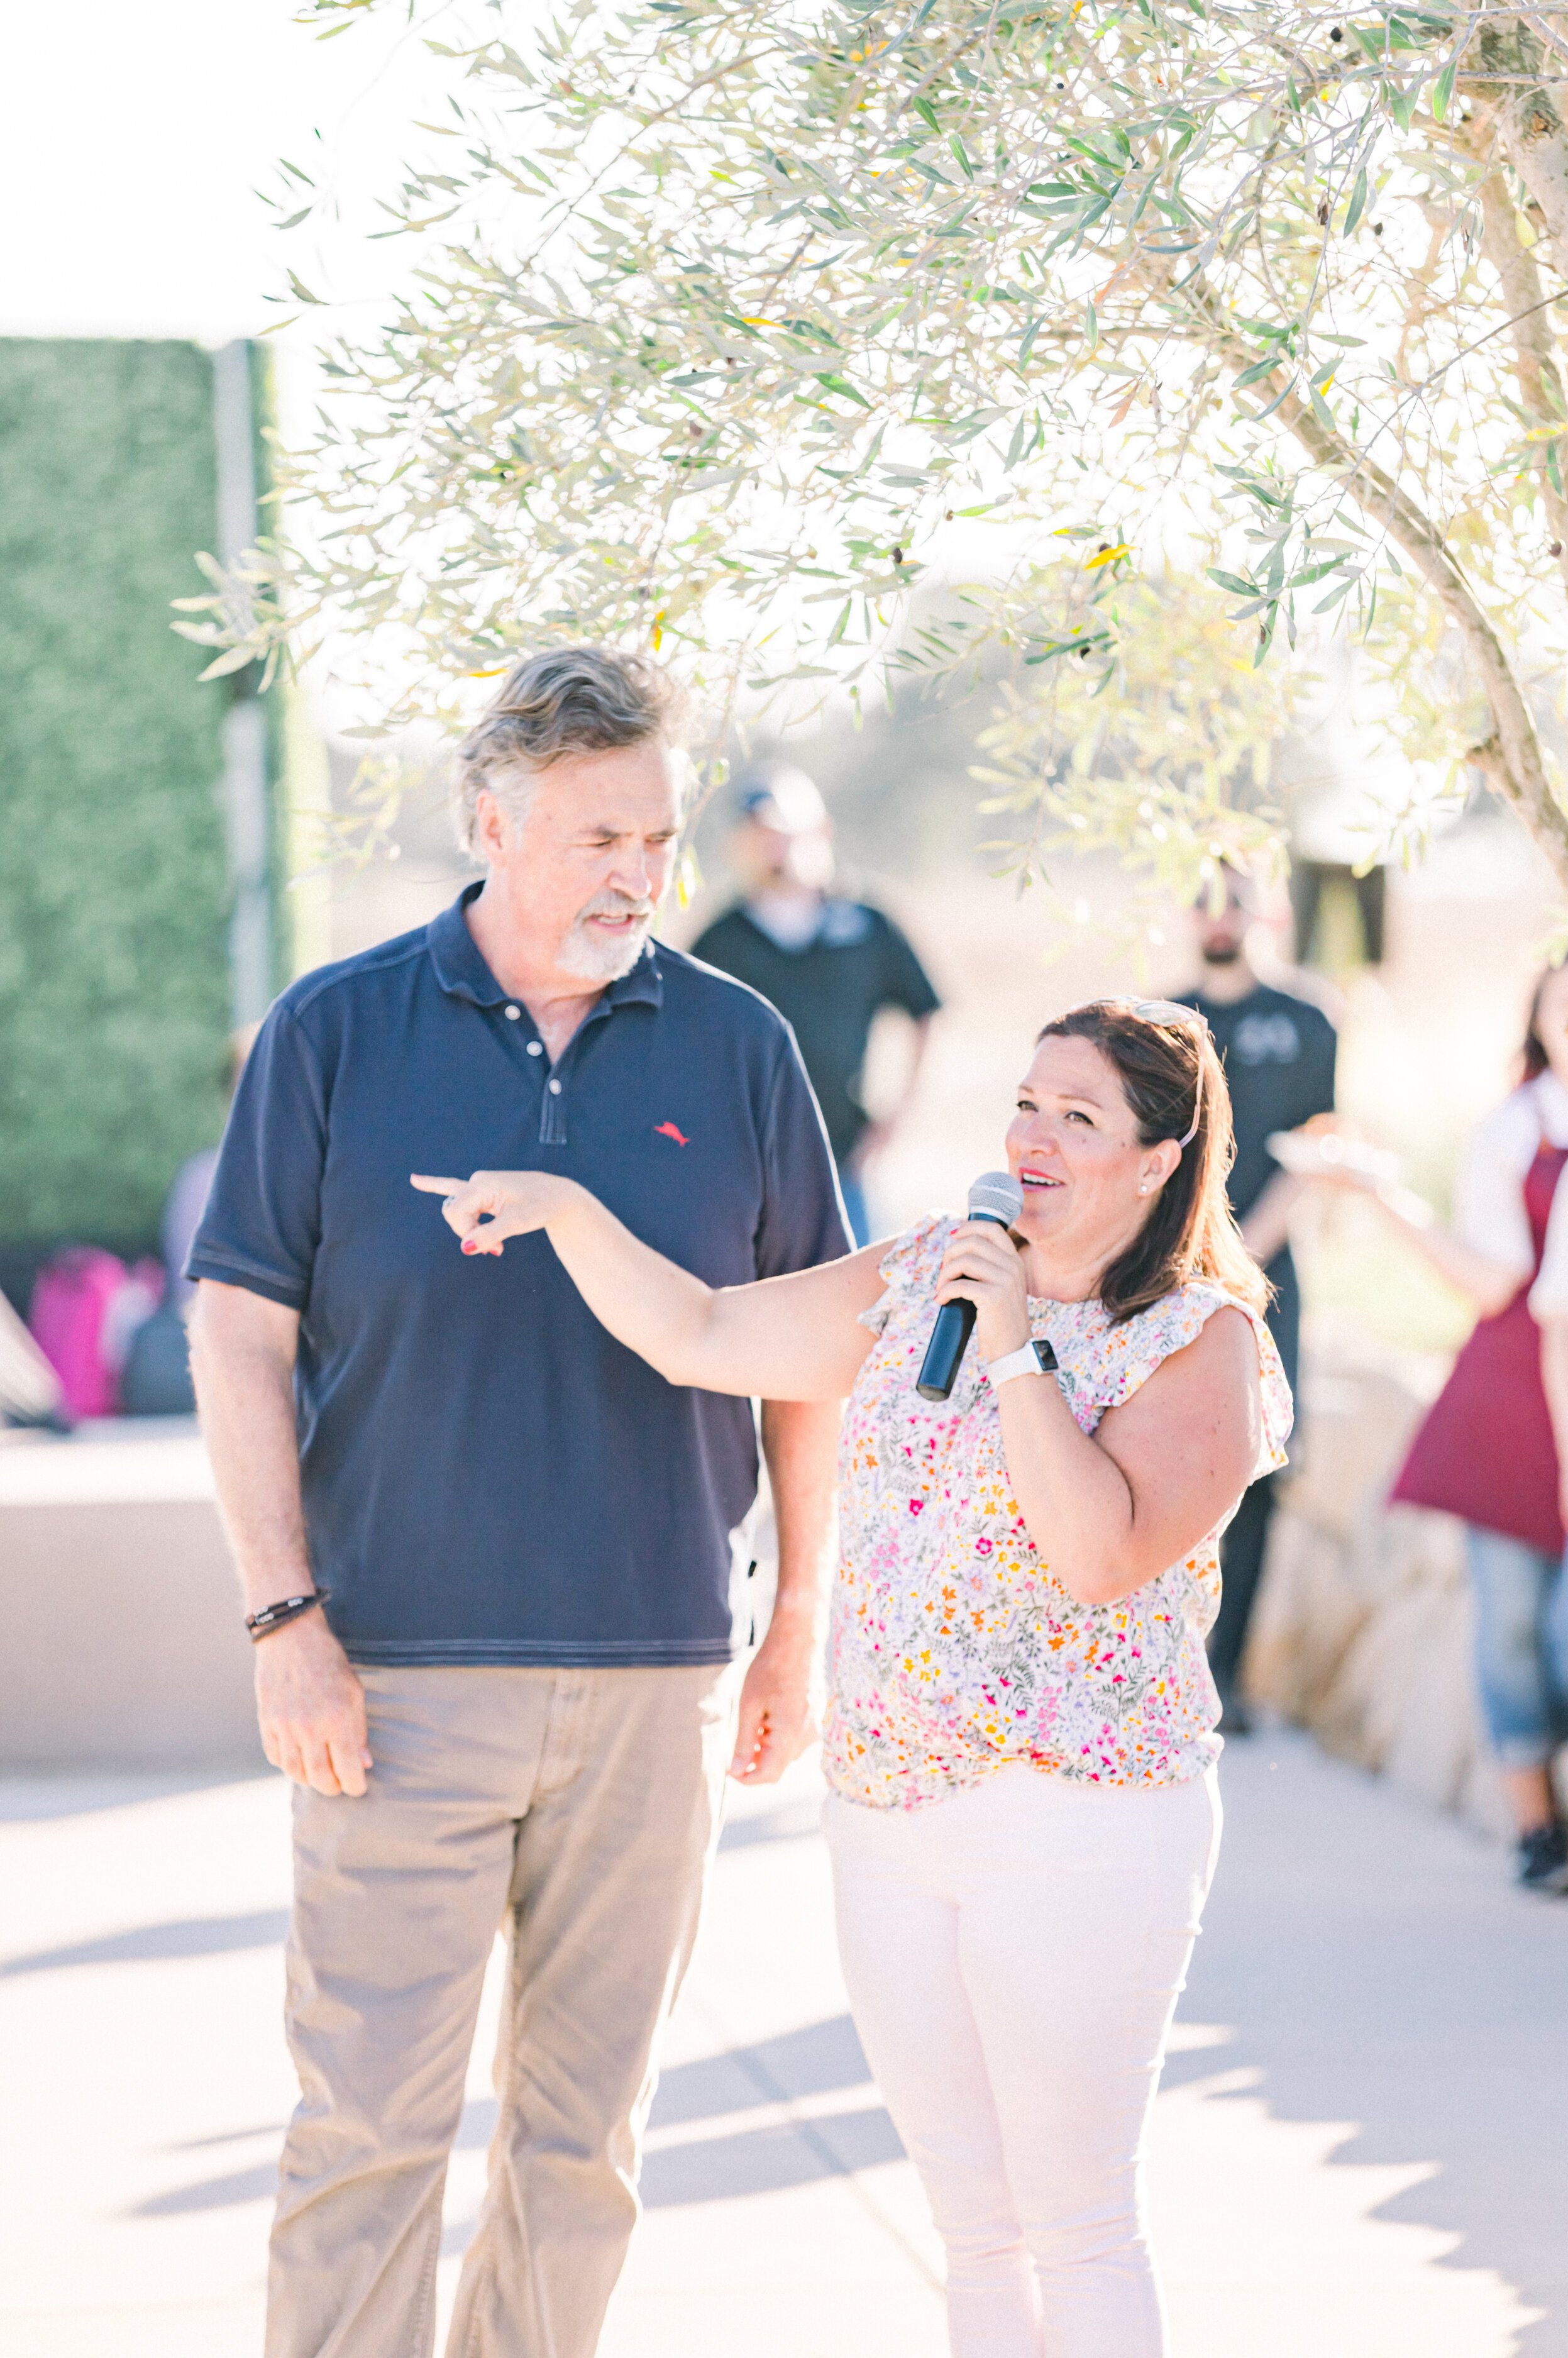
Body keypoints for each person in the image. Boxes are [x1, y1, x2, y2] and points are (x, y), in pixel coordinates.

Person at [414, 997, 1291, 2356]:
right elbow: (702, 1333)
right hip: (886, 1810)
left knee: (1075, 2217)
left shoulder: (1199, 1340)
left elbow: (1101, 1553)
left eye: (1079, 1118)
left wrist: (1012, 1350)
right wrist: (567, 1210)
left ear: (1157, 1159)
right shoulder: (927, 1269)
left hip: (1079, 1818)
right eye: (1026, 1104)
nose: (1034, 1140)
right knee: (970, 2221)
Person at [185, 647, 848, 2358]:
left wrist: (794, 1625)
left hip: (653, 1679)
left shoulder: (740, 1039)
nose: (636, 870)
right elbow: (237, 1328)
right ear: (490, 821)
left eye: (657, 834)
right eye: (597, 835)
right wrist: (284, 1619)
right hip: (391, 1674)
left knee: (585, 2150)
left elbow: (807, 1349)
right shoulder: (335, 1031)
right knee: (363, 2136)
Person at [1324, 960, 1568, 1892]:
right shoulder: (1512, 1131)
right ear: (1539, 1021)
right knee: (1511, 1627)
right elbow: (1493, 1278)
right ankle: (1536, 1830)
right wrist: (1386, 1201)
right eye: (1563, 1006)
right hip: (1512, 1404)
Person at [1178, 866, 1337, 1731]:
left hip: (1264, 1280)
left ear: (1265, 910)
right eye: (1201, 901)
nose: (1217, 917)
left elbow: (1316, 1150)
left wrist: (1236, 1262)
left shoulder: (1310, 1020)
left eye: (1232, 900)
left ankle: (1224, 1677)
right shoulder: (1160, 1021)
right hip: (1170, 1276)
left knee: (1260, 1470)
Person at [690, 763, 941, 1244]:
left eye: (783, 833)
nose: (774, 849)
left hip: (842, 1160)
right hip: (747, 1168)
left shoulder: (866, 924)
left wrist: (896, 1118)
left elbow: (925, 1011)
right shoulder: (722, 938)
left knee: (862, 1300)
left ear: (820, 830)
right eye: (758, 836)